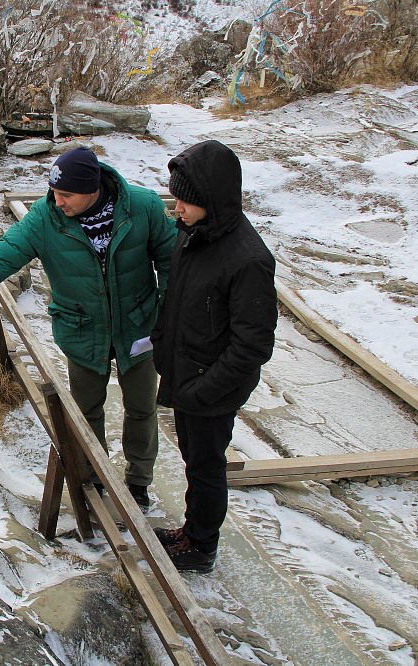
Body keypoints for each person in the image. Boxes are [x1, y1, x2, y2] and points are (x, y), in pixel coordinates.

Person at [0, 147, 177, 511]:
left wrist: (168, 321)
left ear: (93, 189)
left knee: (142, 408)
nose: (57, 201)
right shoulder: (44, 218)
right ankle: (93, 479)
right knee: (86, 411)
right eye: (53, 192)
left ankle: (138, 482)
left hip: (140, 327)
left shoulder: (142, 206)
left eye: (66, 195)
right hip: (82, 329)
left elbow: (172, 265)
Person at [150, 140, 277, 573]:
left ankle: (201, 545)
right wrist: (162, 344)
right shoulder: (194, 236)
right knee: (194, 459)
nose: (177, 208)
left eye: (185, 200)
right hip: (188, 376)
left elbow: (253, 346)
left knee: (206, 467)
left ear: (209, 200)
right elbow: (178, 299)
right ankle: (191, 529)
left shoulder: (248, 260)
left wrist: (204, 391)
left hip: (211, 387)